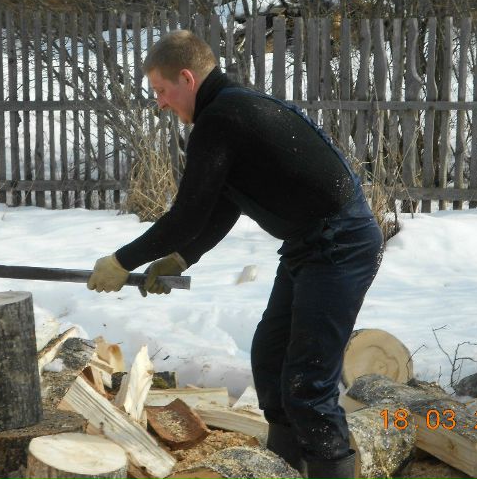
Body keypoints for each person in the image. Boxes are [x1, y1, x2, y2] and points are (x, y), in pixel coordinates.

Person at [87, 29, 383, 479]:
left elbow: (186, 214)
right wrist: (185, 256)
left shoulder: (222, 118)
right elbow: (226, 200)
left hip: (340, 244)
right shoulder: (230, 111)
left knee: (308, 383)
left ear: (186, 78)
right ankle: (284, 468)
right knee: (270, 358)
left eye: (162, 91)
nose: (161, 103)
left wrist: (121, 260)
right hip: (311, 244)